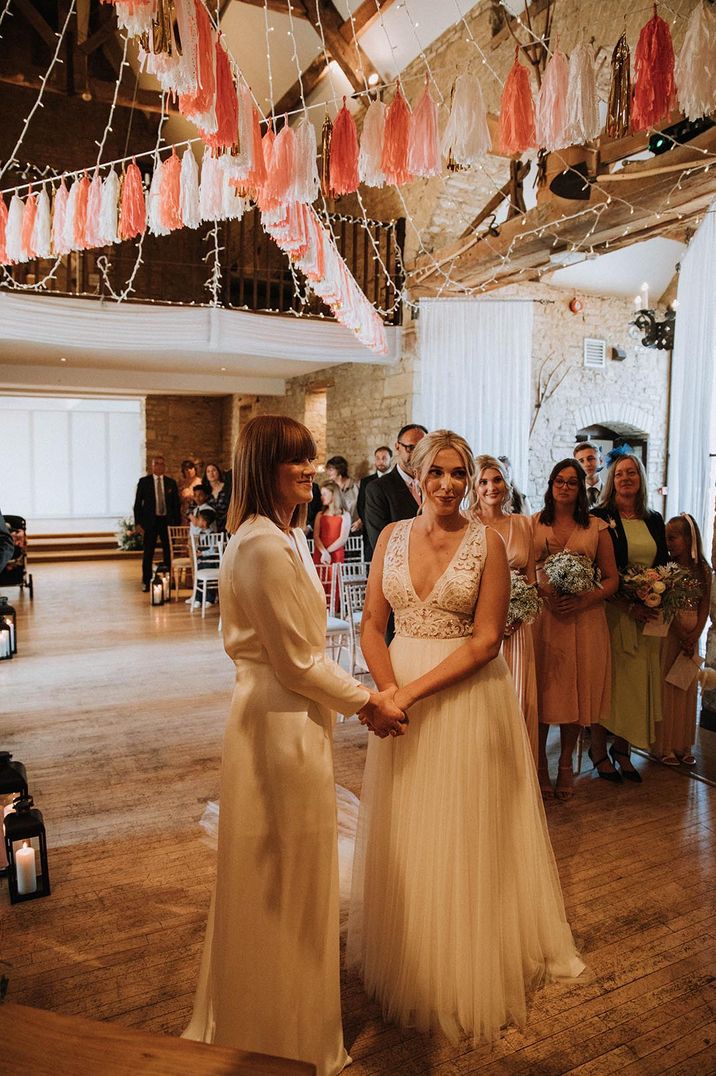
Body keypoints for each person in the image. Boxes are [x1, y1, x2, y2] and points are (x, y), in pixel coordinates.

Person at [183, 415, 405, 1075]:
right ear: (263, 469)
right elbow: (298, 662)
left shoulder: (288, 534)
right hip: (275, 727)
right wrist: (369, 701)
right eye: (294, 462)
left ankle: (288, 1013)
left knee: (291, 871)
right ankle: (279, 1031)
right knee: (280, 875)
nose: (308, 471)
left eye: (309, 460)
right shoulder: (259, 545)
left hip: (291, 719)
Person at [348, 430, 584, 1045]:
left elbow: (485, 642)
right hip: (397, 695)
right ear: (418, 477)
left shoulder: (488, 545)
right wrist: (384, 689)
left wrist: (406, 694)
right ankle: (411, 946)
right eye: (438, 473)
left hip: (462, 701)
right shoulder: (391, 539)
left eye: (459, 474)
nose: (449, 485)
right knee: (407, 826)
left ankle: (460, 962)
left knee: (462, 827)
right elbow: (373, 623)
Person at [531, 460, 619, 799]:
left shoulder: (596, 527)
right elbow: (523, 571)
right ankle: (540, 763)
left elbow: (613, 579)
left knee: (573, 694)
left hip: (584, 619)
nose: (564, 487)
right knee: (543, 692)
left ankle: (565, 762)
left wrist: (585, 599)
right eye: (559, 481)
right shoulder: (533, 524)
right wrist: (544, 593)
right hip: (544, 618)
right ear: (551, 484)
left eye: (572, 482)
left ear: (580, 488)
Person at [592, 453, 668, 781]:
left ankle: (622, 751)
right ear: (612, 480)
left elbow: (664, 564)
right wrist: (626, 602)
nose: (626, 478)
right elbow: (595, 569)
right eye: (620, 473)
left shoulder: (653, 519)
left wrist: (657, 593)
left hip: (644, 615)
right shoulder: (600, 517)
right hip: (612, 612)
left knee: (635, 686)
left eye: (632, 473)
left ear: (641, 480)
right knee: (608, 684)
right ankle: (597, 749)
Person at [469, 454, 540, 768]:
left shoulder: (523, 524)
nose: (490, 487)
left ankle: (519, 774)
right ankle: (483, 771)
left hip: (516, 630)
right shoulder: (465, 524)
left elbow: (531, 579)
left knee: (518, 698)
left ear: (507, 483)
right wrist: (491, 618)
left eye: (496, 479)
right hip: (477, 627)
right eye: (483, 481)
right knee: (482, 701)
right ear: (474, 486)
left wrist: (518, 613)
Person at [655, 514, 712, 766]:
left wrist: (695, 634)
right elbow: (666, 603)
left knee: (687, 690)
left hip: (692, 636)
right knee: (667, 687)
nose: (669, 543)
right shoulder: (667, 570)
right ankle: (665, 745)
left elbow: (703, 605)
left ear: (689, 538)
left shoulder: (703, 570)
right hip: (671, 634)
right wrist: (680, 633)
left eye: (673, 537)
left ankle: (683, 744)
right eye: (667, 538)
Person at [363, 424, 427, 553]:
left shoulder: (433, 485)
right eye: (410, 448)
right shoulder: (378, 489)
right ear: (397, 447)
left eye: (423, 449)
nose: (417, 454)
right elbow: (380, 541)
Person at [133, 455, 181, 591]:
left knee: (168, 552)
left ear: (164, 466)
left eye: (162, 464)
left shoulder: (171, 483)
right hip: (150, 522)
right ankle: (146, 581)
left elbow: (176, 505)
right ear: (152, 466)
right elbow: (137, 505)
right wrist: (138, 524)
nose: (159, 466)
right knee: (148, 552)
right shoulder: (144, 482)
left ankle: (169, 580)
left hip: (167, 521)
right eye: (156, 463)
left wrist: (176, 524)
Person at [356, 446, 393, 560]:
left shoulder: (396, 481)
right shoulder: (366, 481)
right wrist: (369, 523)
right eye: (377, 458)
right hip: (370, 532)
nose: (380, 461)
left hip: (392, 531)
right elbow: (361, 506)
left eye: (384, 458)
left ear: (391, 459)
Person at [312, 482, 351, 567]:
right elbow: (316, 536)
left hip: (336, 552)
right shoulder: (320, 514)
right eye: (321, 494)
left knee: (335, 578)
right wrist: (323, 552)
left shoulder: (345, 515)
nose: (322, 497)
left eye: (325, 494)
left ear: (334, 495)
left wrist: (327, 552)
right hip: (320, 552)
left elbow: (343, 539)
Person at [324, 456, 360, 531]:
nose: (328, 473)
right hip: (336, 530)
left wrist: (360, 521)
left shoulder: (356, 486)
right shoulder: (330, 488)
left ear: (339, 470)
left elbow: (365, 507)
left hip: (355, 529)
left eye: (331, 470)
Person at [574, 442, 603, 507]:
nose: (587, 464)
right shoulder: (573, 494)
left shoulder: (612, 492)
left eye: (590, 459)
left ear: (601, 461)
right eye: (581, 461)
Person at [203, 462, 229, 531]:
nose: (211, 473)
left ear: (218, 472)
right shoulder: (205, 491)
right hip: (211, 528)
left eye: (214, 470)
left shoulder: (227, 487)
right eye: (208, 471)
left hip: (227, 523)